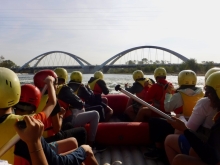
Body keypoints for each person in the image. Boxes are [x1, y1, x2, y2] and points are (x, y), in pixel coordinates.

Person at [0, 67, 98, 165]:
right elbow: (53, 106)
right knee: (86, 149)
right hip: (43, 148)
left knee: (72, 141)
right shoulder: (27, 122)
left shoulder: (25, 117)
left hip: (35, 149)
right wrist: (50, 84)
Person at [144, 70, 204, 160]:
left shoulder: (178, 95)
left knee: (154, 121)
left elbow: (167, 108)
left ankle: (158, 150)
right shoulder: (202, 93)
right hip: (196, 125)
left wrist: (168, 94)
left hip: (182, 124)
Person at [165, 70, 220, 165]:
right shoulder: (201, 95)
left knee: (177, 153)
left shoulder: (204, 103)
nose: (208, 96)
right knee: (191, 152)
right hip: (212, 150)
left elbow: (211, 156)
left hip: (213, 157)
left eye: (210, 93)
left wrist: (185, 129)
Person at [14, 84, 86, 148]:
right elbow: (57, 129)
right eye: (56, 83)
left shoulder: (14, 114)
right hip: (49, 139)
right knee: (82, 131)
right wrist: (61, 116)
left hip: (36, 139)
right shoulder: (50, 101)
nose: (58, 86)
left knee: (69, 125)